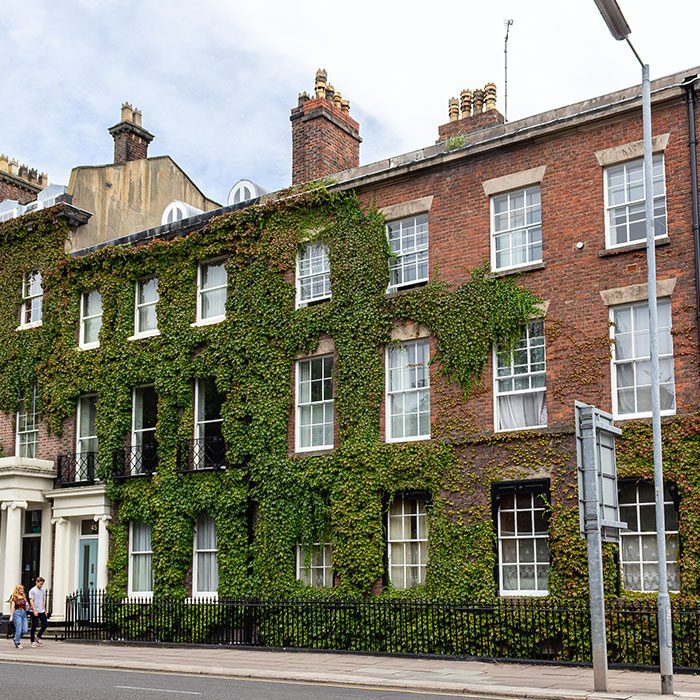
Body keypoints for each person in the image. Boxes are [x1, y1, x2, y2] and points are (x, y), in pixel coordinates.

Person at [28, 577, 48, 647]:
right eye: (40, 584)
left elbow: (43, 600)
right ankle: (32, 641)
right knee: (34, 626)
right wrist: (34, 610)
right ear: (36, 582)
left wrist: (44, 609)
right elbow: (31, 600)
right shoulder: (32, 590)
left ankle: (38, 637)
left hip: (41, 610)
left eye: (42, 584)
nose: (41, 585)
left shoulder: (43, 590)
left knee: (45, 624)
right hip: (34, 610)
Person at [8, 584, 29, 649]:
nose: (22, 590)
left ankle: (15, 638)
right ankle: (18, 642)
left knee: (25, 630)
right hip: (17, 613)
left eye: (23, 589)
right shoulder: (14, 597)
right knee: (18, 629)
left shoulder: (24, 596)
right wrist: (11, 616)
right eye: (21, 589)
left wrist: (27, 607)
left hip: (24, 613)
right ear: (17, 589)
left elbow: (27, 605)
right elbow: (12, 607)